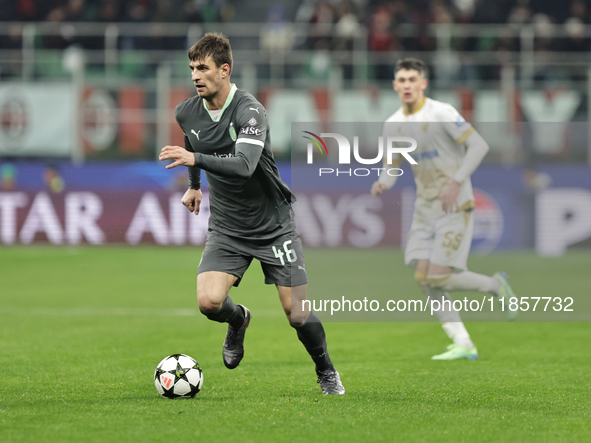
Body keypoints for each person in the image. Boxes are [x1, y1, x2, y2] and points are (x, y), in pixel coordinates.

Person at [158, 33, 345, 394]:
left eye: (204, 68)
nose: (196, 75)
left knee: (297, 313)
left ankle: (326, 370)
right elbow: (191, 140)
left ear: (224, 70)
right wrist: (194, 184)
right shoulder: (186, 111)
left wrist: (195, 160)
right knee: (208, 302)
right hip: (228, 225)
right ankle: (239, 318)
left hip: (273, 224)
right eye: (192, 68)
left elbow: (244, 165)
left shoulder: (250, 111)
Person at [370, 58, 517, 360]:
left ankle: (495, 285)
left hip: (454, 203)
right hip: (425, 210)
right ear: (395, 85)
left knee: (437, 277)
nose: (407, 85)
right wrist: (383, 183)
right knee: (424, 279)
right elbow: (392, 166)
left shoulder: (442, 112)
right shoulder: (392, 124)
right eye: (402, 80)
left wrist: (456, 181)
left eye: (413, 79)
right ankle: (463, 342)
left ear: (423, 83)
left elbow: (478, 146)